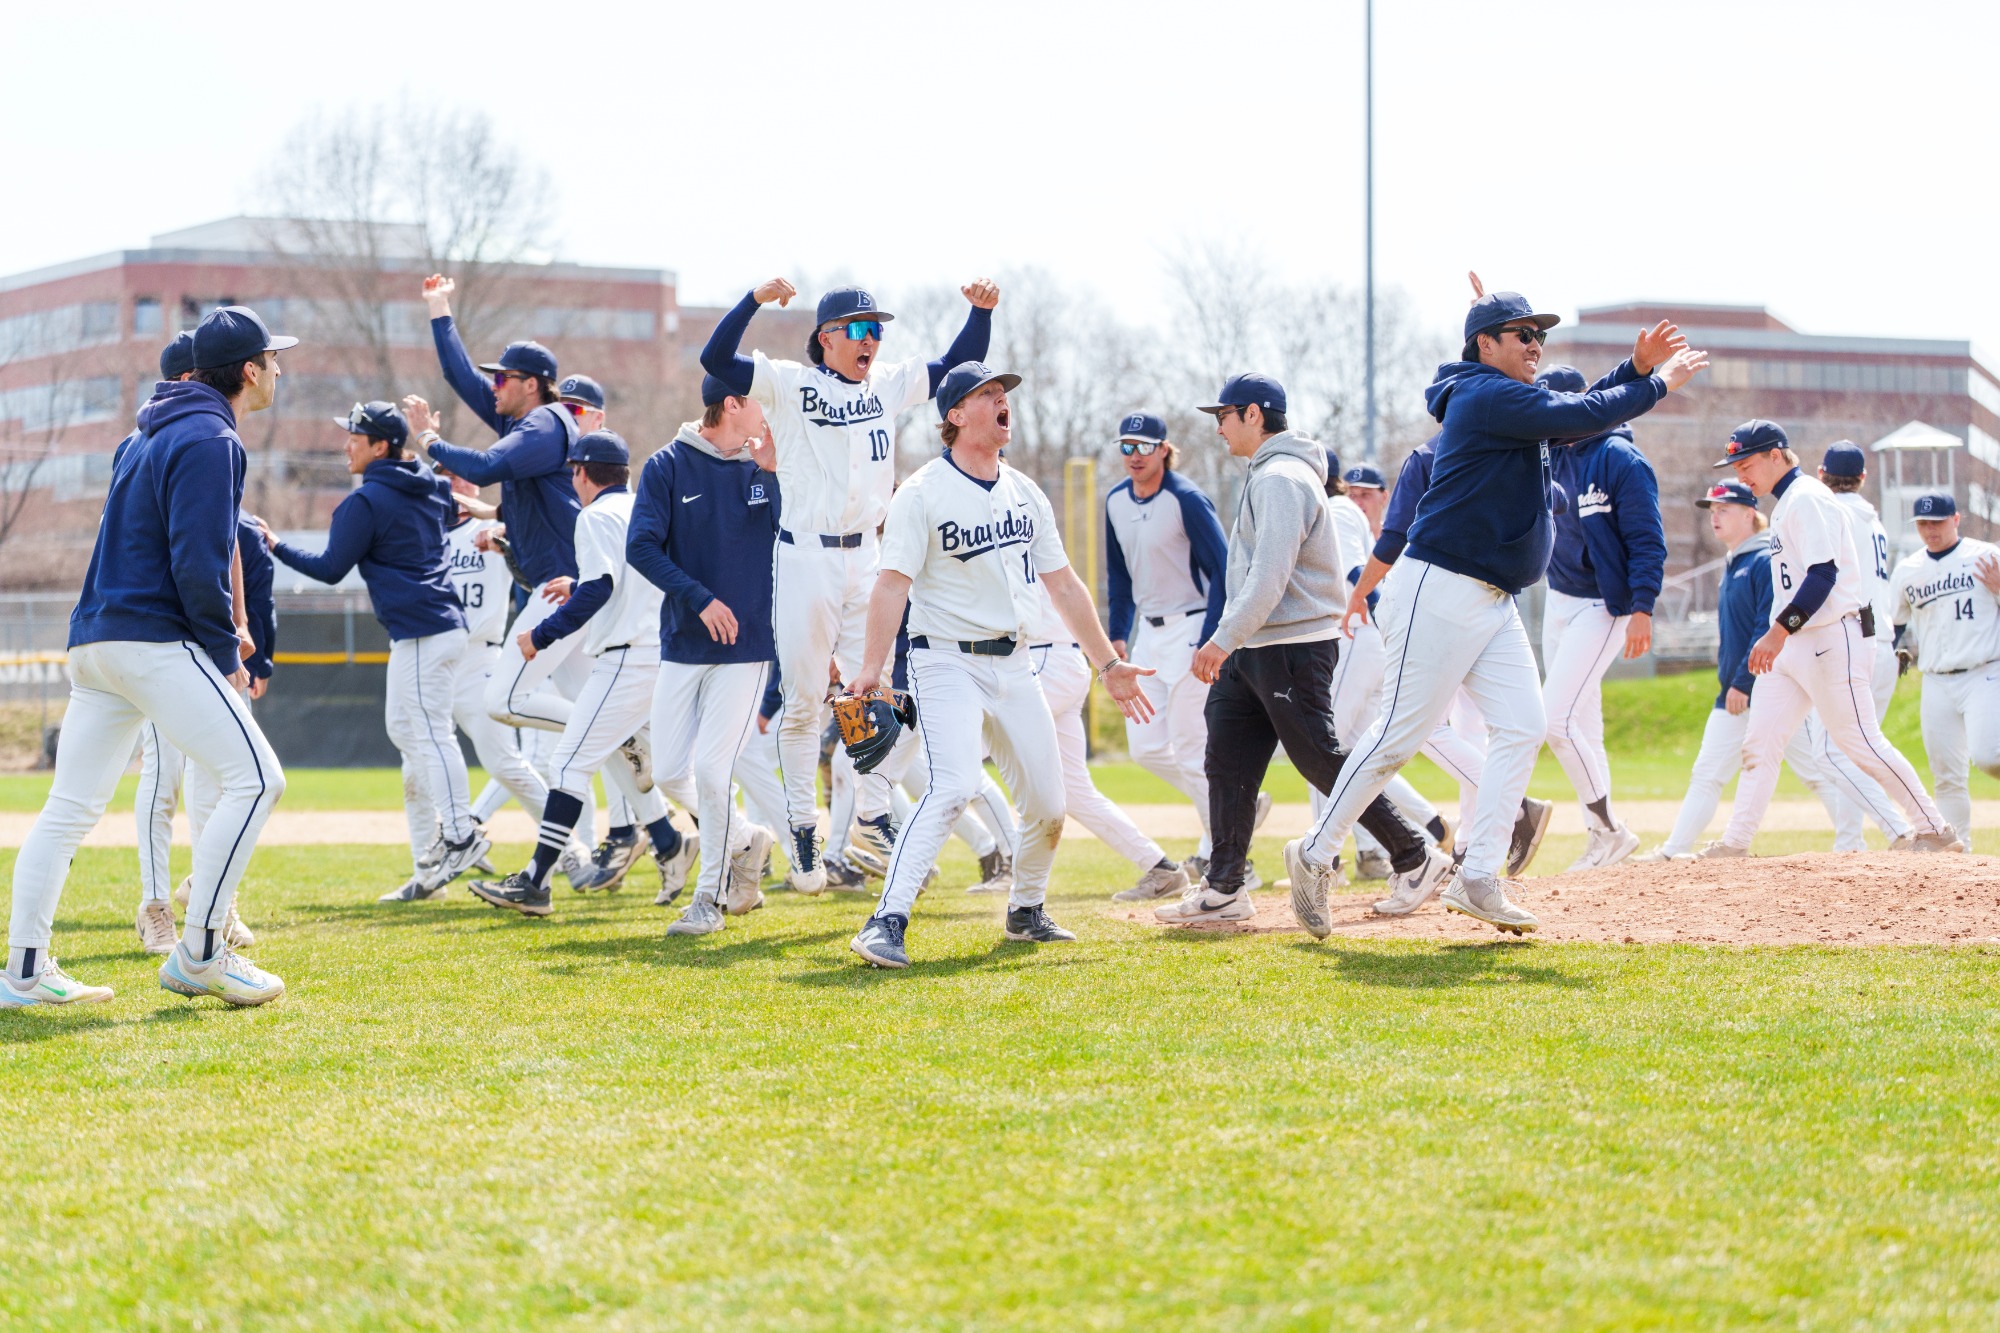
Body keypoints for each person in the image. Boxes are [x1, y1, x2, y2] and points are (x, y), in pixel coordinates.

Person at [1287, 293, 1706, 937]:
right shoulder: (1485, 396)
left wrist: (1630, 368)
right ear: (1484, 345)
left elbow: (1577, 412)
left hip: (1490, 596)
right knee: (1399, 733)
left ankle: (1479, 876)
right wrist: (1652, 382)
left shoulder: (1509, 398)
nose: (1535, 345)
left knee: (1522, 726)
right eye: (1521, 334)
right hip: (1439, 586)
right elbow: (1578, 413)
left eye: (1540, 336)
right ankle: (1314, 854)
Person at [6, 306, 295, 1008]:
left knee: (68, 807)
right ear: (249, 370)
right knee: (259, 780)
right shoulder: (209, 435)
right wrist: (227, 650)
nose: (279, 369)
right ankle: (199, 953)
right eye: (273, 359)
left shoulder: (146, 433)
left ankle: (22, 972)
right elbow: (197, 562)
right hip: (150, 639)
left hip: (95, 640)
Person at [846, 363, 1154, 969]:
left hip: (1014, 665)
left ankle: (1026, 910)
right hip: (944, 663)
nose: (1001, 402)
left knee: (1050, 803)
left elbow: (1064, 587)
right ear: (955, 415)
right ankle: (886, 920)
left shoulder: (1023, 491)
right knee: (955, 784)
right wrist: (871, 670)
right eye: (987, 395)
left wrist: (1109, 663)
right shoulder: (922, 492)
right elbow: (891, 586)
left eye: (1003, 394)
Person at [699, 276, 998, 891]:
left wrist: (978, 312)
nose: (871, 340)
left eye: (877, 329)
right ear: (826, 338)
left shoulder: (887, 384)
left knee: (879, 693)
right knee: (806, 701)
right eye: (859, 329)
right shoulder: (790, 382)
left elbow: (958, 368)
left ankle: (871, 810)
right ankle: (802, 827)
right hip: (806, 554)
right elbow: (716, 359)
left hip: (869, 557)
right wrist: (753, 301)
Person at [1162, 372, 1444, 928]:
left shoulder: (1281, 476)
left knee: (1319, 755)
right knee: (1227, 758)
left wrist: (1221, 639)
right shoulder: (1269, 472)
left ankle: (1415, 857)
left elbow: (1271, 575)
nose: (1217, 426)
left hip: (1290, 643)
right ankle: (1224, 887)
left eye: (1223, 414)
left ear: (1252, 414)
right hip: (1258, 645)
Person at [1699, 421, 1958, 856]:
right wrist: (1781, 636)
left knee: (1858, 740)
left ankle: (1934, 828)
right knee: (1759, 742)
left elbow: (1824, 574)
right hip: (1797, 643)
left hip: (1831, 637)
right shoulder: (1786, 505)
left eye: (1746, 463)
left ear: (1776, 456)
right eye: (1736, 465)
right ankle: (1736, 842)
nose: (1741, 474)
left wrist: (1777, 632)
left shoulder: (1807, 499)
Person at [264, 401, 492, 896]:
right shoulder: (431, 485)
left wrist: (276, 545)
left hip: (421, 630)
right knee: (407, 732)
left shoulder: (365, 503)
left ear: (381, 446)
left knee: (430, 735)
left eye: (356, 436)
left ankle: (460, 835)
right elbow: (437, 484)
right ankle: (438, 847)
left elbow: (329, 570)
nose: (346, 444)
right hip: (438, 627)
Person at [468, 431, 698, 916]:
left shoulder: (593, 516)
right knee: (672, 770)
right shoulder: (647, 508)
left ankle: (535, 882)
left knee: (570, 764)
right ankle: (681, 843)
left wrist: (542, 634)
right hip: (659, 650)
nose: (571, 479)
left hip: (625, 655)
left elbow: (599, 589)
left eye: (574, 470)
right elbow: (637, 575)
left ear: (583, 473)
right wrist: (580, 583)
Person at [1641, 482, 1907, 859]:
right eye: (1712, 509)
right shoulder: (1735, 562)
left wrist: (1743, 683)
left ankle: (1876, 836)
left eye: (1724, 508)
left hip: (1766, 680)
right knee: (1713, 772)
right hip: (1742, 686)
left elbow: (1766, 628)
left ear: (1750, 513)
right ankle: (1675, 851)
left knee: (1824, 767)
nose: (1714, 516)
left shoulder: (1764, 560)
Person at [627, 376, 783, 936]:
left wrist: (773, 474)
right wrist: (700, 599)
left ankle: (708, 901)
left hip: (748, 651)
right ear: (734, 405)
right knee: (670, 773)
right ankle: (747, 840)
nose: (773, 408)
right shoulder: (666, 466)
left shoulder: (768, 467)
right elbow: (640, 546)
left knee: (714, 771)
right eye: (764, 397)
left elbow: (798, 543)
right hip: (683, 647)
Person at [1360, 433, 1553, 879]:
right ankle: (1472, 842)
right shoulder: (1500, 450)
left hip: (1445, 612)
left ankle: (1511, 810)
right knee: (1469, 730)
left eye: (1365, 492)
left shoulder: (1429, 456)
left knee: (1421, 725)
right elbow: (1554, 498)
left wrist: (1361, 591)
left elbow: (1393, 537)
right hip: (1488, 607)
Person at [408, 274, 585, 733]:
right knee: (590, 712)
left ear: (533, 385)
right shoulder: (523, 420)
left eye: (503, 378)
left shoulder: (544, 425)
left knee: (505, 701)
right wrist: (439, 306)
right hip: (564, 582)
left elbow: (485, 468)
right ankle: (656, 802)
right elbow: (459, 376)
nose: (494, 385)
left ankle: (618, 735)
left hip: (559, 585)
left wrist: (430, 439)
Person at [431, 470, 592, 895]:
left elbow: (526, 564)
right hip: (441, 657)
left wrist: (502, 543)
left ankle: (573, 849)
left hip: (485, 656)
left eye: (457, 477)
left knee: (508, 762)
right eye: (442, 477)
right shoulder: (432, 534)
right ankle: (432, 860)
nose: (451, 485)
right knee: (420, 755)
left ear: (474, 485)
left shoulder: (491, 526)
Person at [1535, 364, 1666, 870]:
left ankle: (1610, 828)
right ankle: (1601, 837)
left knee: (1555, 720)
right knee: (1583, 725)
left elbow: (1647, 540)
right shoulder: (1550, 456)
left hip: (1604, 605)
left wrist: (1642, 607)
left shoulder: (1620, 458)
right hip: (1560, 599)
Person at [1103, 411, 1233, 883]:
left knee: (1188, 744)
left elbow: (1223, 568)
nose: (1133, 455)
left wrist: (1212, 637)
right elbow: (1118, 575)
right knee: (1146, 748)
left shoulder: (1187, 498)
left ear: (1163, 449)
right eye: (1125, 446)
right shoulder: (1116, 501)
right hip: (1148, 638)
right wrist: (1117, 636)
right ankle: (1233, 801)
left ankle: (1230, 856)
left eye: (1143, 446)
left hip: (1192, 627)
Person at [1026, 579, 1189, 903]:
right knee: (1075, 791)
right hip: (1058, 660)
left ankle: (996, 855)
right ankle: (1161, 868)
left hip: (1044, 662)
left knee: (957, 755)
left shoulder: (1010, 533)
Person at [1891, 492, 2000, 848]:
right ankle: (1957, 856)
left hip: (1984, 672)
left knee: (1989, 756)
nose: (1930, 529)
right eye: (1923, 523)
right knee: (1946, 777)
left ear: (1955, 519)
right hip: (1936, 679)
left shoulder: (1986, 555)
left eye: (1937, 521)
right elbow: (1893, 625)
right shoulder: (1908, 570)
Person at [1343, 464, 1388, 535]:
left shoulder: (1401, 542)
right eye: (1352, 495)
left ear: (1384, 497)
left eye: (1365, 494)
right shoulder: (1336, 543)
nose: (1357, 503)